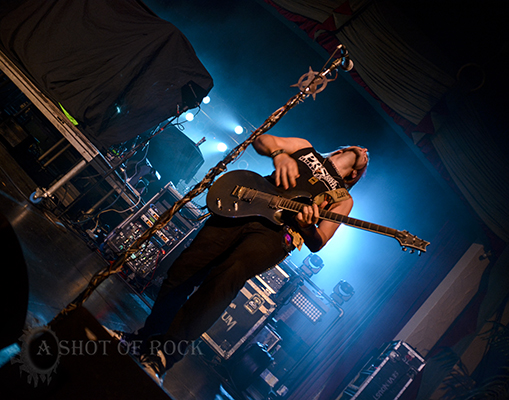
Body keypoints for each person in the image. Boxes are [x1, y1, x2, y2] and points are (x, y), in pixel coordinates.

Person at [122, 134, 369, 384]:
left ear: (355, 174)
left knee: (224, 281)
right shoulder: (306, 148)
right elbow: (262, 140)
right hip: (244, 205)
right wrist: (279, 155)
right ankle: (145, 340)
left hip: (276, 233)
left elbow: (320, 240)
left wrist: (306, 226)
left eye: (367, 156)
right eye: (360, 147)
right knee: (184, 270)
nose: (364, 149)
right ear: (342, 149)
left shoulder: (343, 199)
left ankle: (164, 356)